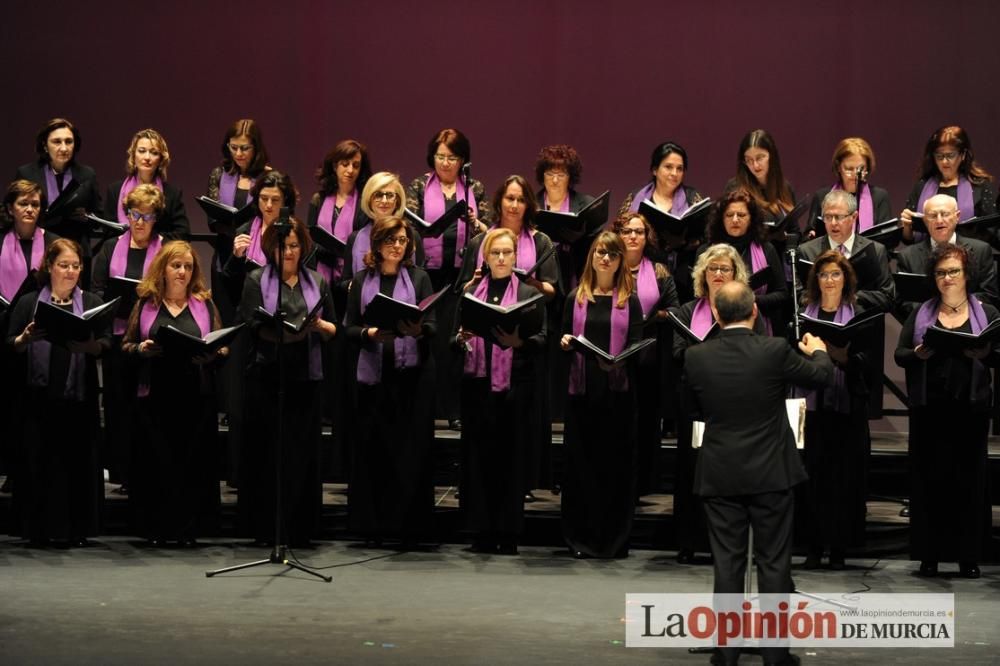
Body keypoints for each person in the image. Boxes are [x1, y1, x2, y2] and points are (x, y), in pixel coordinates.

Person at [682, 280, 832, 666]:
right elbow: (820, 377)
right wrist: (819, 353)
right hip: (771, 473)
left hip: (720, 472)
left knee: (727, 564)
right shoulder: (774, 350)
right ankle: (774, 654)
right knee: (774, 563)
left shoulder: (696, 357)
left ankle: (727, 652)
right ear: (754, 312)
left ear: (715, 314)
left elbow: (692, 408)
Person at [894, 243, 997, 579]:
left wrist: (983, 354)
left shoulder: (988, 312)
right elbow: (900, 354)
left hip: (970, 411)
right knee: (930, 483)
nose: (947, 278)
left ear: (967, 275)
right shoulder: (921, 312)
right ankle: (930, 555)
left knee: (969, 483)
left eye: (954, 271)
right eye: (941, 273)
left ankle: (968, 556)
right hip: (930, 411)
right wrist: (918, 354)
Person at [238, 217, 337, 547]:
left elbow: (334, 328)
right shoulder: (255, 280)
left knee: (301, 456)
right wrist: (290, 334)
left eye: (294, 245)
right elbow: (252, 326)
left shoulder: (318, 283)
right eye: (283, 246)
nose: (289, 252)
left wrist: (320, 328)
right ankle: (268, 528)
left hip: (305, 380)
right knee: (269, 456)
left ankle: (301, 530)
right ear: (271, 248)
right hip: (269, 377)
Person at [458, 175, 559, 499]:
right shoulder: (479, 242)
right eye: (509, 198)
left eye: (520, 199)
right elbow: (462, 290)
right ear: (499, 202)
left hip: (520, 350)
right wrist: (475, 283)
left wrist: (527, 283)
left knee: (519, 424)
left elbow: (552, 289)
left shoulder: (540, 241)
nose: (514, 205)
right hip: (482, 355)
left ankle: (520, 483)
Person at [6, 238, 111, 546]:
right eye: (63, 265)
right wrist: (23, 339)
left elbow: (106, 341)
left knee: (75, 464)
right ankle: (37, 529)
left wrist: (91, 346)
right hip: (37, 400)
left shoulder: (90, 302)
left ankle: (74, 530)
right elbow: (8, 342)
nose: (70, 271)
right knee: (39, 463)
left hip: (77, 399)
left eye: (76, 266)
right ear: (49, 266)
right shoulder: (28, 303)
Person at [122, 241, 226, 546]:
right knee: (158, 464)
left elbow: (222, 346)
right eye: (176, 265)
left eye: (188, 266)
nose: (182, 272)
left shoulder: (204, 304)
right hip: (156, 396)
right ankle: (157, 528)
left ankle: (188, 530)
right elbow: (126, 345)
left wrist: (213, 355)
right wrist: (141, 348)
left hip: (195, 396)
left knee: (191, 464)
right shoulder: (146, 304)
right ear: (163, 268)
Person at [343, 215, 436, 547]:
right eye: (390, 241)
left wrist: (418, 329)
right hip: (373, 381)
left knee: (408, 453)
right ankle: (373, 527)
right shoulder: (360, 279)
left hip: (410, 380)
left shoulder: (419, 277)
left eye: (402, 241)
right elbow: (348, 328)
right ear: (377, 244)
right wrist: (368, 332)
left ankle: (407, 527)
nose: (397, 246)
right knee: (374, 452)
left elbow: (433, 324)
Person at [671, 244, 765, 564]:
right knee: (692, 472)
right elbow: (676, 354)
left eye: (726, 269)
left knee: (727, 477)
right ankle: (688, 540)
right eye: (713, 269)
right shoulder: (687, 312)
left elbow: (758, 350)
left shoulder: (748, 311)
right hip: (696, 404)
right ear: (703, 274)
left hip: (733, 405)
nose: (719, 275)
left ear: (736, 275)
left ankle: (725, 544)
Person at [456, 228, 547, 555]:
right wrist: (462, 339)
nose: (502, 258)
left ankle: (508, 533)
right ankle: (481, 531)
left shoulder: (527, 293)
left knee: (510, 462)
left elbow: (542, 338)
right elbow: (457, 335)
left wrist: (518, 342)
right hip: (478, 388)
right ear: (485, 257)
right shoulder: (471, 293)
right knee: (479, 461)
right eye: (495, 253)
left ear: (515, 256)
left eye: (507, 252)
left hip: (514, 390)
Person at [559, 231, 642, 559]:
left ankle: (613, 540)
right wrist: (566, 343)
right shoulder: (574, 298)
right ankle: (580, 539)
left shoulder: (629, 300)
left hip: (617, 394)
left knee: (615, 469)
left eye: (612, 254)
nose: (605, 259)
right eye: (600, 253)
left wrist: (619, 361)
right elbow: (563, 341)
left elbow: (638, 343)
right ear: (591, 257)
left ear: (621, 260)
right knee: (581, 468)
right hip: (582, 393)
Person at [406, 128, 490, 430]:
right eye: (440, 156)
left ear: (463, 160)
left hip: (461, 278)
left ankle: (455, 411)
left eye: (452, 157)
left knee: (455, 345)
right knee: (428, 342)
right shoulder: (418, 185)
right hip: (427, 276)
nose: (445, 162)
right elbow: (410, 224)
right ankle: (429, 410)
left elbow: (489, 232)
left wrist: (474, 220)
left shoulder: (474, 189)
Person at [797, 251, 873, 569]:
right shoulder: (803, 316)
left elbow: (868, 363)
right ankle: (813, 548)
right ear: (816, 280)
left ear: (846, 280)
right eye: (824, 275)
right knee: (811, 477)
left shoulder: (859, 315)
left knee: (842, 480)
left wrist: (844, 357)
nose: (830, 280)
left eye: (836, 274)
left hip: (846, 408)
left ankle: (840, 548)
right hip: (812, 408)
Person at [90, 184, 165, 495]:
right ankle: (121, 472)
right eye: (134, 214)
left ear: (155, 218)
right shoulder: (110, 247)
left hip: (150, 341)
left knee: (145, 409)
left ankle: (145, 471)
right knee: (119, 407)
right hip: (119, 336)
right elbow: (95, 290)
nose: (139, 221)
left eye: (146, 216)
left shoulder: (165, 249)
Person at [798, 189, 896, 418]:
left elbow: (888, 298)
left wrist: (849, 296)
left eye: (840, 217)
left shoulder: (874, 250)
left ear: (854, 217)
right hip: (817, 334)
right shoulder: (808, 250)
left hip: (859, 341)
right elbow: (799, 296)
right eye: (828, 217)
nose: (833, 223)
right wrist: (823, 294)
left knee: (854, 417)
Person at [0, 180, 58, 495]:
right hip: (4, 333)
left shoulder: (53, 243)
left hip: (41, 331)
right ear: (10, 208)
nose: (29, 209)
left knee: (36, 406)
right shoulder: (0, 242)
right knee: (8, 406)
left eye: (35, 204)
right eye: (23, 203)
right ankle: (11, 469)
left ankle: (37, 469)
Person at [616, 213, 679, 497]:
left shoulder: (659, 271)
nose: (633, 236)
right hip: (613, 355)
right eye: (627, 231)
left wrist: (652, 317)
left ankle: (642, 483)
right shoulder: (608, 265)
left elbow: (676, 309)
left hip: (648, 357)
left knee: (645, 419)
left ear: (646, 237)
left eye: (639, 232)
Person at [619, 141, 706, 303]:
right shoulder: (636, 197)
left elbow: (707, 235)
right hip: (645, 273)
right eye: (668, 167)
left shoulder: (692, 197)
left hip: (685, 274)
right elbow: (619, 231)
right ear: (654, 169)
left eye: (679, 168)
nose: (674, 173)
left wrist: (686, 241)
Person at [206, 118, 271, 326]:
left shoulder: (266, 177)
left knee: (252, 321)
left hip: (255, 258)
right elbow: (212, 219)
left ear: (256, 148)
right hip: (225, 256)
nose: (239, 153)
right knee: (225, 320)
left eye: (245, 148)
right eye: (233, 147)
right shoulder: (219, 174)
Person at [895, 194, 998, 322]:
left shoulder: (980, 250)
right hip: (925, 326)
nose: (939, 220)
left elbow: (989, 294)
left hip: (971, 324)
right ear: (925, 221)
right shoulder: (907, 256)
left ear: (957, 216)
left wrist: (957, 311)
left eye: (945, 214)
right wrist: (936, 314)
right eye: (933, 216)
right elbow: (904, 302)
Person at [703, 188, 787, 335]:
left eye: (741, 215)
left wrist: (748, 300)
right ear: (721, 219)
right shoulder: (706, 251)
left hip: (758, 327)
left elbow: (782, 293)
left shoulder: (767, 249)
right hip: (713, 327)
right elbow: (698, 293)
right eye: (729, 215)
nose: (735, 220)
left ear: (751, 219)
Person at [14, 118, 101, 253]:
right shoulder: (27, 173)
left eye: (69, 141)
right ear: (45, 145)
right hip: (38, 250)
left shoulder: (87, 174)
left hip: (76, 250)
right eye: (56, 142)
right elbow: (16, 214)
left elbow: (98, 216)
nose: (64, 148)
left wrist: (87, 217)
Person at [899, 125, 997, 245]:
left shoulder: (979, 186)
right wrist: (907, 226)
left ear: (963, 155)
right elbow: (909, 240)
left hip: (969, 257)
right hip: (928, 257)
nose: (944, 161)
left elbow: (992, 232)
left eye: (950, 155)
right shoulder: (922, 186)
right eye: (939, 156)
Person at [307, 139, 373, 299]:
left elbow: (363, 241)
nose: (350, 170)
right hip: (320, 273)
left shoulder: (365, 202)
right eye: (345, 164)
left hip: (351, 275)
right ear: (335, 166)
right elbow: (310, 237)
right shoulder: (318, 199)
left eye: (356, 165)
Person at [104, 129, 189, 241]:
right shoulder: (115, 190)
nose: (147, 157)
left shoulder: (172, 194)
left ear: (161, 160)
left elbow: (182, 234)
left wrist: (151, 240)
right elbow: (108, 234)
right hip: (123, 256)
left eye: (154, 153)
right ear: (133, 156)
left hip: (159, 256)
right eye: (142, 151)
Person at [534, 144, 595, 295]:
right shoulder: (531, 205)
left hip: (576, 276)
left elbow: (596, 244)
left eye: (561, 175)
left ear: (570, 177)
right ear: (542, 175)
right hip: (541, 280)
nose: (555, 180)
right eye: (549, 174)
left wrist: (580, 238)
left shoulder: (586, 204)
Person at [806, 137, 894, 241]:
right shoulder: (822, 196)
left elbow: (887, 241)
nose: (855, 175)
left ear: (868, 168)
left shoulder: (879, 197)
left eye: (860, 169)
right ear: (838, 167)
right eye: (849, 169)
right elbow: (807, 238)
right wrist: (811, 236)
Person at [725, 129, 796, 230]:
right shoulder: (735, 187)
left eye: (760, 158)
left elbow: (794, 229)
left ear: (771, 156)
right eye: (749, 160)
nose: (755, 165)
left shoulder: (785, 187)